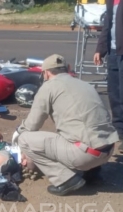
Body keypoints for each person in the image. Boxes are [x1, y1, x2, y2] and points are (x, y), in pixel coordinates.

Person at [11, 54, 119, 196]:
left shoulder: (48, 87)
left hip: (86, 155)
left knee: (25, 139)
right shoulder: (84, 84)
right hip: (108, 149)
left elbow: (31, 126)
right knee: (79, 129)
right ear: (67, 69)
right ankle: (92, 173)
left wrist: (17, 133)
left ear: (46, 73)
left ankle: (65, 180)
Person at [93, 0, 123, 153]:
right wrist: (100, 49)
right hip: (113, 52)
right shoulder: (111, 1)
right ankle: (119, 132)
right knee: (115, 94)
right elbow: (107, 25)